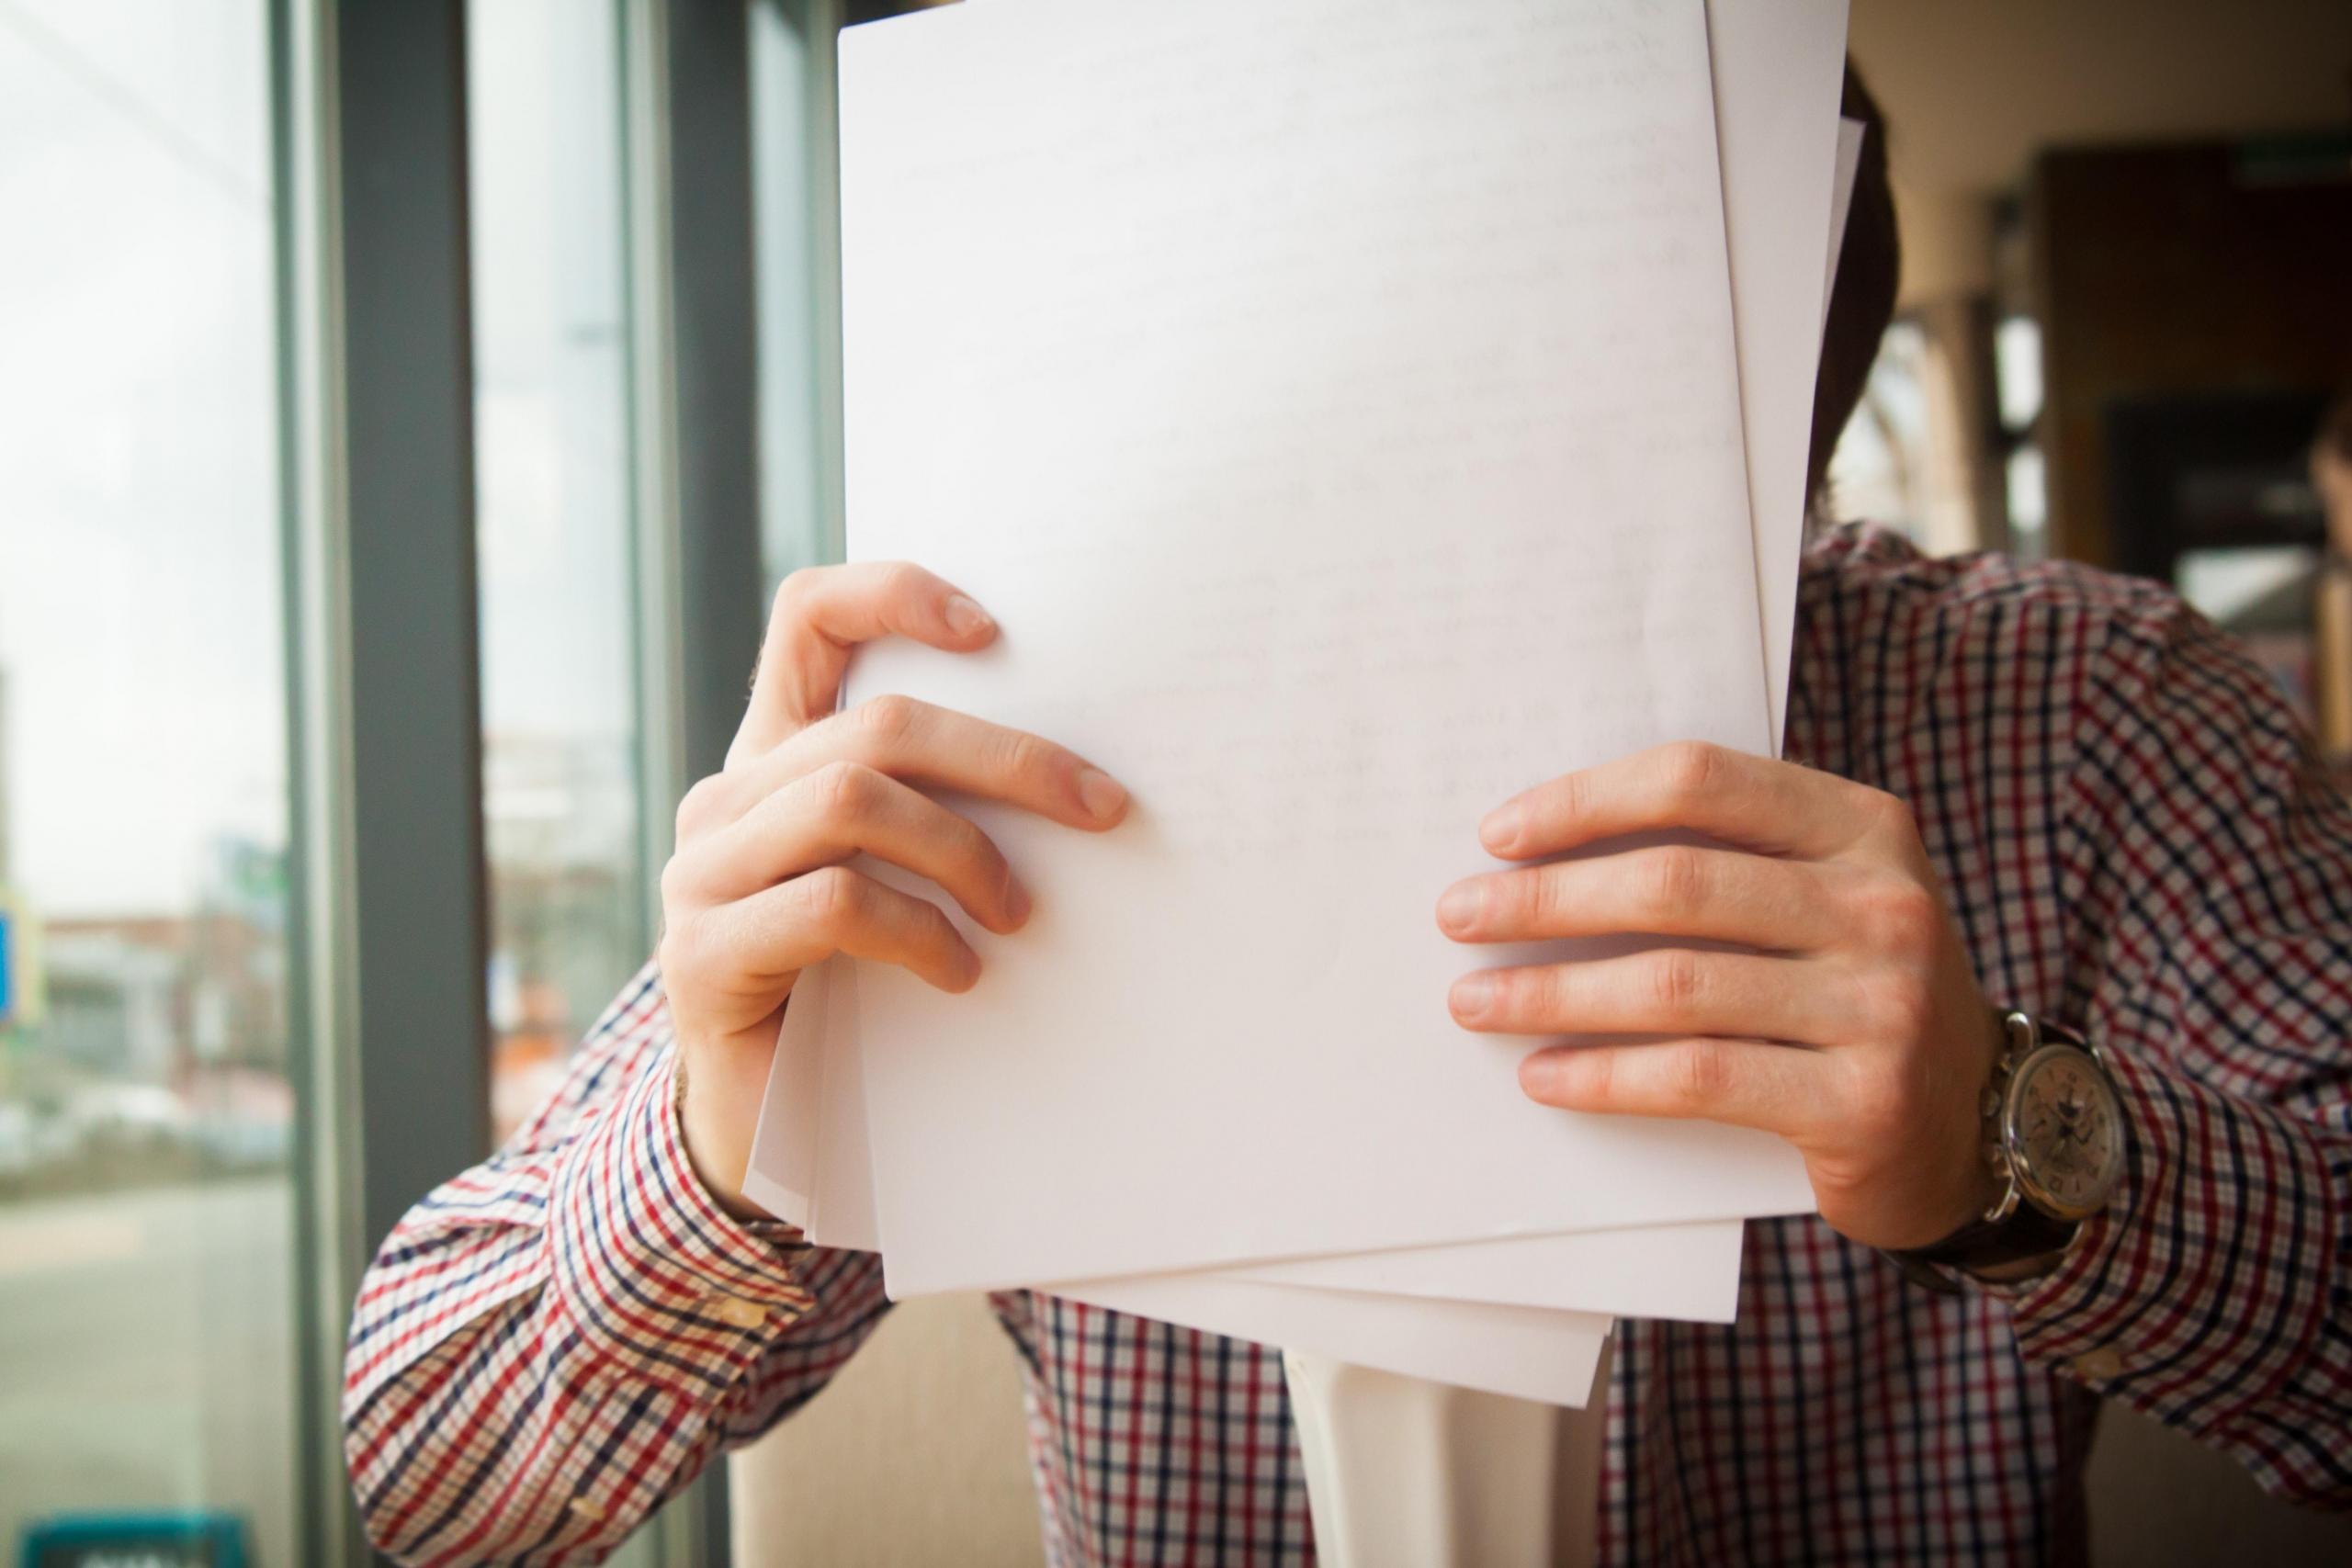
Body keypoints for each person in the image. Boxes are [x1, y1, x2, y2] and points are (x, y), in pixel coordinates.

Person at [343, 67, 2352, 1565]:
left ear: (1801, 397)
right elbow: (429, 1469)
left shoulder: (2071, 708)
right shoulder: (999, 743)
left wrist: (2004, 1140)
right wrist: (721, 1127)